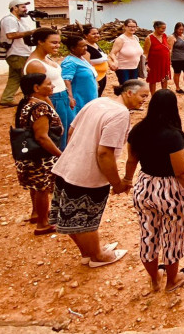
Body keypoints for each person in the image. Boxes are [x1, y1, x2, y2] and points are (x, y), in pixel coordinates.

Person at [49, 79, 150, 268]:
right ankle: (97, 256)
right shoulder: (120, 114)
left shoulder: (97, 102)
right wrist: (117, 183)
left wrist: (75, 153)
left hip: (67, 167)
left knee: (71, 217)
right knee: (87, 219)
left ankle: (88, 253)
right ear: (129, 93)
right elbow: (104, 152)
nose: (144, 100)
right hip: (87, 175)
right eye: (143, 96)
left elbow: (71, 130)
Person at [126, 89, 184, 295]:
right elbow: (181, 172)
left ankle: (155, 278)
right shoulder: (173, 135)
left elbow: (131, 160)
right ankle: (172, 279)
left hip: (144, 186)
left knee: (148, 234)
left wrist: (127, 180)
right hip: (169, 190)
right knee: (173, 236)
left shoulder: (138, 129)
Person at [13, 73, 63, 235]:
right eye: (48, 84)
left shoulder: (28, 102)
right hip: (40, 157)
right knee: (42, 188)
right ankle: (43, 223)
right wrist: (59, 154)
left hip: (29, 154)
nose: (52, 86)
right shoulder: (40, 108)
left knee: (35, 185)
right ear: (36, 87)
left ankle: (36, 213)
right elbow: (42, 137)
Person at [23, 28, 72, 150]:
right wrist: (52, 111)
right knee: (57, 135)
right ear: (40, 42)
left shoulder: (47, 58)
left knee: (68, 133)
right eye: (53, 42)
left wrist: (68, 96)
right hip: (52, 99)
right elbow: (40, 93)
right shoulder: (35, 64)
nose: (57, 46)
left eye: (58, 42)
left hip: (62, 98)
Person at [0, 0, 36, 107]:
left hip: (21, 52)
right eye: (23, 7)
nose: (26, 9)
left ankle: (7, 98)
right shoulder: (10, 20)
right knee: (27, 77)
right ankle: (29, 99)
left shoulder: (20, 20)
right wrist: (31, 32)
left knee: (15, 77)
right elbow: (10, 35)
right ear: (14, 8)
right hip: (17, 53)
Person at [61, 36, 98, 116]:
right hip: (79, 99)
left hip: (89, 96)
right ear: (73, 48)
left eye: (86, 45)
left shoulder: (82, 59)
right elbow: (66, 80)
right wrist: (70, 97)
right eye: (82, 46)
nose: (85, 48)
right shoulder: (70, 62)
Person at [83, 25, 114, 97]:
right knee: (94, 95)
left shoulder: (95, 44)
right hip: (94, 77)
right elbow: (86, 64)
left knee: (99, 94)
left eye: (97, 33)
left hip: (102, 75)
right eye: (93, 34)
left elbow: (104, 57)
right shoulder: (85, 47)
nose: (96, 35)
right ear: (86, 35)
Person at [110, 19, 143, 83]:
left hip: (135, 67)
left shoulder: (135, 38)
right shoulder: (121, 39)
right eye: (130, 26)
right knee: (125, 87)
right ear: (125, 27)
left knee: (133, 87)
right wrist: (115, 61)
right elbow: (112, 53)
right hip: (123, 68)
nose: (132, 28)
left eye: (134, 27)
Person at [144, 21, 171, 94]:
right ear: (156, 28)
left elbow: (167, 48)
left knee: (165, 78)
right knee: (153, 80)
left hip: (165, 62)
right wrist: (145, 64)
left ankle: (164, 94)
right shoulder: (149, 38)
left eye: (165, 28)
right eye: (162, 28)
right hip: (153, 63)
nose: (164, 30)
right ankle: (153, 96)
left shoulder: (164, 36)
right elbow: (145, 53)